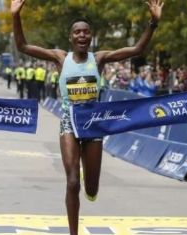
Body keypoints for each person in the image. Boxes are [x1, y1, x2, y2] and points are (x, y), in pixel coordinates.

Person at [11, 0, 163, 234]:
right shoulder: (61, 58)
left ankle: (91, 186)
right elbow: (22, 46)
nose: (82, 35)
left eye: (86, 31)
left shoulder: (99, 59)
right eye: (77, 32)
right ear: (70, 37)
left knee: (90, 188)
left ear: (90, 36)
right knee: (72, 182)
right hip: (69, 122)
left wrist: (153, 22)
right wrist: (15, 16)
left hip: (94, 123)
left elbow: (136, 51)